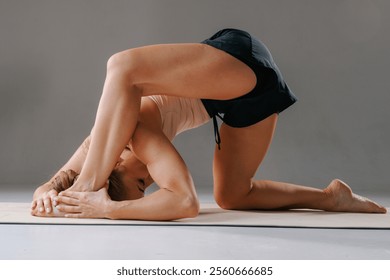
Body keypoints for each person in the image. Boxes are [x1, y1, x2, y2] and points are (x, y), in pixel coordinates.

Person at [31, 28, 387, 220]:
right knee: (233, 195)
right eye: (148, 187)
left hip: (234, 64)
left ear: (117, 161)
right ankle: (331, 197)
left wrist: (104, 207)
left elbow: (184, 202)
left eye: (141, 181)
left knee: (122, 68)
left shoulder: (131, 134)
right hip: (243, 99)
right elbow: (52, 183)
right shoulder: (101, 153)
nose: (153, 180)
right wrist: (47, 196)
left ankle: (87, 188)